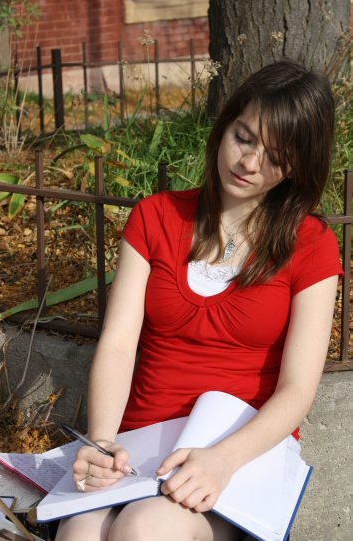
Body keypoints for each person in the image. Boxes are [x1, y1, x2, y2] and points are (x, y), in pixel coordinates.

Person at [56, 60, 343, 541]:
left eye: (275, 156)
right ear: (224, 126)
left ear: (298, 166)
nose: (249, 162)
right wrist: (102, 442)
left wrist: (223, 460)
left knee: (143, 529)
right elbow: (119, 344)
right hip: (140, 449)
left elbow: (298, 389)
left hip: (238, 456)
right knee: (79, 534)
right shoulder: (155, 217)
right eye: (244, 137)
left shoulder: (311, 245)